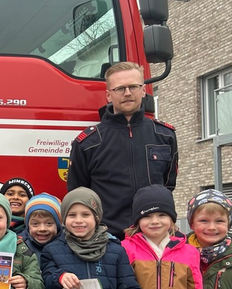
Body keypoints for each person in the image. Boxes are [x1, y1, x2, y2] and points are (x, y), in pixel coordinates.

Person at [67, 61, 178, 238]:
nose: (127, 93)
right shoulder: (88, 142)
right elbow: (79, 195)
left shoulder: (165, 136)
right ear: (108, 95)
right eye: (119, 89)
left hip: (152, 240)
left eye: (133, 86)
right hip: (106, 241)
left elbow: (167, 186)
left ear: (143, 90)